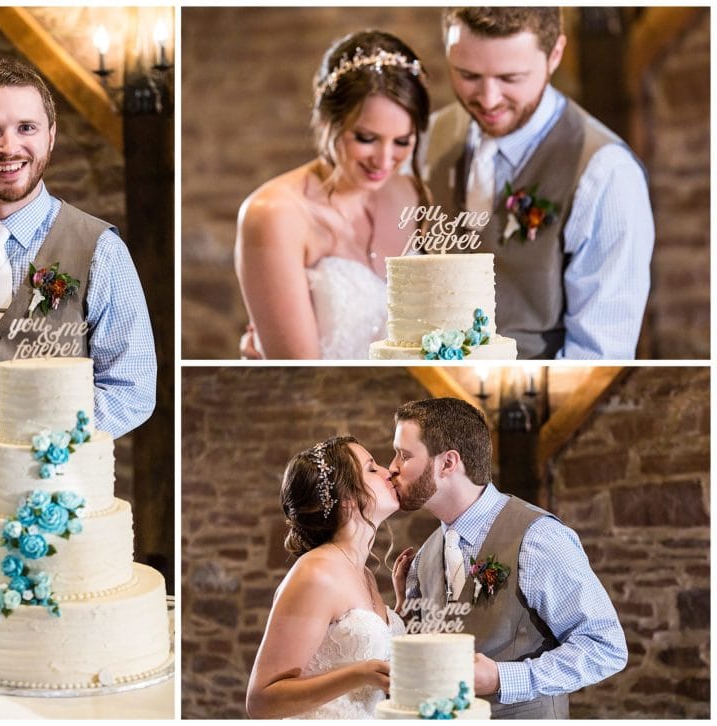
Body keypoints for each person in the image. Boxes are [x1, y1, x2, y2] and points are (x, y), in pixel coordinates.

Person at [0, 58, 157, 570]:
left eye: (26, 128)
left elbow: (132, 388)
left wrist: (22, 461)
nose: (8, 146)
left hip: (63, 509)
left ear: (51, 137)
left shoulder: (100, 250)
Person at [420, 7, 653, 359]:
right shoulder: (424, 138)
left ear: (554, 54)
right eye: (467, 74)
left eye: (510, 78)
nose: (488, 99)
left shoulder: (607, 174)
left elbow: (598, 352)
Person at [388, 397, 627, 718]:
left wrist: (503, 678)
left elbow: (606, 647)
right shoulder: (424, 556)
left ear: (447, 463)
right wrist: (404, 612)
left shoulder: (537, 538)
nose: (392, 467)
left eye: (404, 455)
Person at [235, 30, 430, 359]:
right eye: (366, 138)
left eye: (401, 142)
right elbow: (296, 369)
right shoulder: (274, 214)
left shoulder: (414, 194)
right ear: (327, 121)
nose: (384, 161)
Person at [246, 435, 410, 719]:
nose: (388, 472)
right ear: (346, 500)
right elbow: (261, 701)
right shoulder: (317, 573)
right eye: (372, 468)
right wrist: (359, 675)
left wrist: (401, 605)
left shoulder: (365, 574)